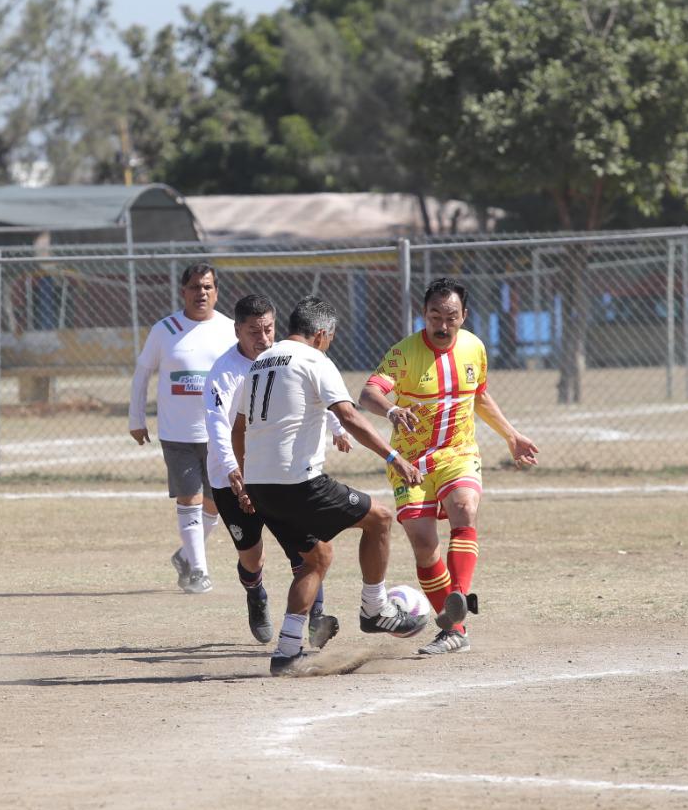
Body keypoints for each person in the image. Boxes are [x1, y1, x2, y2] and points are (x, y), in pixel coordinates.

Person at [228, 296, 429, 676]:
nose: (329, 345)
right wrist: (394, 458)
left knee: (315, 559)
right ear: (321, 334)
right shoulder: (314, 360)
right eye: (330, 339)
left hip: (262, 485)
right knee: (380, 519)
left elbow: (238, 428)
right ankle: (375, 609)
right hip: (298, 482)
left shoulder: (258, 364)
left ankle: (287, 652)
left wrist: (245, 477)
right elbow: (348, 416)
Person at [359, 277, 538, 655]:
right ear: (423, 314)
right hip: (411, 462)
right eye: (435, 316)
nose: (442, 325)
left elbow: (480, 396)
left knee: (464, 507)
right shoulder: (403, 353)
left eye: (451, 317)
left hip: (458, 453)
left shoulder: (474, 347)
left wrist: (511, 435)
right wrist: (391, 410)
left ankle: (458, 595)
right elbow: (368, 393)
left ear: (464, 316)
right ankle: (455, 630)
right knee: (424, 544)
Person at [204, 293, 352, 645]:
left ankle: (316, 619)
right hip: (230, 477)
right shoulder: (223, 372)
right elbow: (219, 426)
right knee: (252, 558)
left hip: (278, 473)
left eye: (268, 329)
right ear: (237, 331)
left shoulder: (284, 357)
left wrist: (337, 427)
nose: (263, 338)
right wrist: (233, 470)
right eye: (253, 331)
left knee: (307, 552)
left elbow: (313, 393)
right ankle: (256, 593)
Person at [128, 262, 235, 593]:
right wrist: (136, 419)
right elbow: (142, 373)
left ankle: (186, 555)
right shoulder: (165, 329)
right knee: (191, 498)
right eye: (194, 287)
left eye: (207, 287)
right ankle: (199, 571)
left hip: (219, 432)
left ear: (216, 292)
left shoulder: (230, 329)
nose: (201, 293)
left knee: (217, 503)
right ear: (183, 292)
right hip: (177, 433)